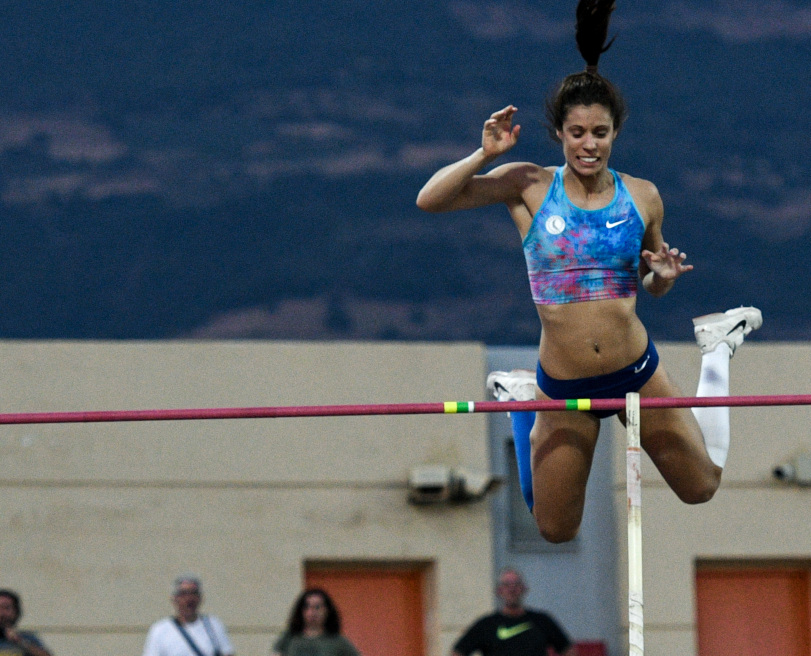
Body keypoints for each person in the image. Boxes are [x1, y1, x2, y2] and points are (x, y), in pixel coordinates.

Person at [417, 0, 762, 543]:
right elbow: (430, 200)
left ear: (615, 133)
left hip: (635, 370)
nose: (588, 144)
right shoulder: (528, 184)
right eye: (577, 132)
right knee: (556, 529)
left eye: (599, 133)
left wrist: (663, 280)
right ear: (559, 133)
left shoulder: (643, 196)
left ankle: (716, 350)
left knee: (701, 487)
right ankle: (521, 403)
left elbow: (648, 283)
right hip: (564, 381)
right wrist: (482, 155)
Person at [450, 569, 576, 656]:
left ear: (524, 589)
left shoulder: (542, 621)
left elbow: (568, 650)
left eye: (516, 584)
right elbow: (458, 652)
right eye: (507, 585)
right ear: (499, 591)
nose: (512, 589)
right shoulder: (486, 625)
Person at [142, 575, 235, 656]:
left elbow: (226, 653)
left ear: (200, 598)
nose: (189, 599)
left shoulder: (214, 625)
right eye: (184, 594)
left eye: (193, 593)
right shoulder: (160, 630)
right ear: (175, 599)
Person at [271, 589, 360, 656]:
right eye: (307, 607)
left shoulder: (338, 642)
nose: (312, 612)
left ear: (327, 611)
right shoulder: (288, 638)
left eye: (317, 607)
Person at [0, 589, 52, 656]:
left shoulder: (26, 638)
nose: (1, 613)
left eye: (6, 608)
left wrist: (20, 641)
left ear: (16, 612)